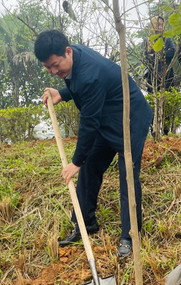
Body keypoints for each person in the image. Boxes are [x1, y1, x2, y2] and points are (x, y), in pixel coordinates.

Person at [35, 29, 152, 258]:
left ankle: (130, 236)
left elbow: (89, 122)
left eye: (56, 65)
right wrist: (62, 93)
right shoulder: (74, 57)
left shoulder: (91, 73)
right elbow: (79, 85)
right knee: (90, 167)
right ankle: (85, 223)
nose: (53, 71)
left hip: (130, 119)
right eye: (48, 67)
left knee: (127, 174)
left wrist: (75, 161)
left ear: (67, 52)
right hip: (107, 117)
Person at [142, 16, 176, 92]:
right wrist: (163, 56)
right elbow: (145, 57)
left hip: (168, 79)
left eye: (162, 25)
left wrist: (154, 55)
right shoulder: (147, 42)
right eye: (158, 25)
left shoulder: (167, 40)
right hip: (152, 79)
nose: (160, 27)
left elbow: (172, 52)